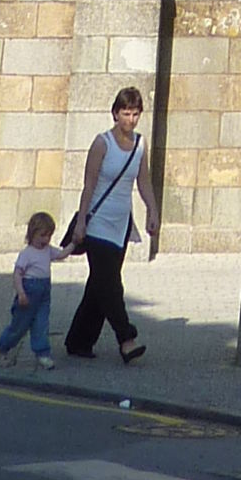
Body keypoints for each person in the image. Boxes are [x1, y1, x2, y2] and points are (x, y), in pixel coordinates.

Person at [61, 84, 160, 363]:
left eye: (135, 114)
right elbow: (89, 184)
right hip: (97, 223)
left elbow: (143, 181)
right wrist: (81, 222)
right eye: (126, 113)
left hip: (121, 225)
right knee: (112, 286)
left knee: (99, 286)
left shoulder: (140, 145)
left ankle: (78, 341)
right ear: (115, 114)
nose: (130, 119)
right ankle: (126, 338)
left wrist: (153, 211)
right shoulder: (101, 143)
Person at [0, 208, 65, 369]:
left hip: (43, 292)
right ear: (32, 234)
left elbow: (61, 255)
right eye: (42, 235)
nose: (46, 239)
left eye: (49, 235)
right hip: (28, 290)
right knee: (19, 326)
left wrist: (74, 244)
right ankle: (2, 349)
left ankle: (42, 353)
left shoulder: (48, 251)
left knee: (42, 323)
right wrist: (21, 292)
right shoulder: (27, 254)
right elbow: (17, 274)